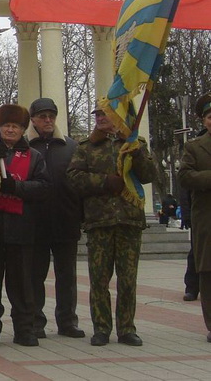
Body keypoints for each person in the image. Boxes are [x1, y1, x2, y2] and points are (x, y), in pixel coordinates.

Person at [68, 103, 155, 347]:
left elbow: (149, 174)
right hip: (99, 222)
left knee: (127, 280)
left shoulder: (135, 144)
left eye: (105, 113)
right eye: (97, 114)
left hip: (129, 220)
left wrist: (136, 151)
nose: (100, 118)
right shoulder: (86, 147)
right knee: (99, 280)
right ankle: (101, 328)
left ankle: (126, 328)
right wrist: (105, 182)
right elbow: (73, 178)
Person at [0, 104, 49, 347]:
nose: (10, 130)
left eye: (15, 127)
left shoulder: (34, 156)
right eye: (6, 126)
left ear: (23, 130)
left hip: (21, 230)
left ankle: (24, 329)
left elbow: (43, 187)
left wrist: (17, 187)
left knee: (22, 286)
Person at [27, 97, 85, 338]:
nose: (48, 120)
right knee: (35, 275)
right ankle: (35, 321)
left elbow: (80, 183)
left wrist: (81, 216)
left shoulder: (71, 147)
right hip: (34, 223)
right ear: (33, 120)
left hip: (66, 220)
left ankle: (67, 321)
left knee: (66, 276)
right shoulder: (24, 147)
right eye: (42, 116)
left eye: (51, 116)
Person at [177, 92, 211, 342]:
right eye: (210, 117)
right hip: (207, 219)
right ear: (204, 120)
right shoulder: (194, 147)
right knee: (208, 271)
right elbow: (184, 177)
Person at [181, 186, 200, 301]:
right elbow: (185, 193)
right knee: (196, 253)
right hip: (199, 219)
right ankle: (192, 288)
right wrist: (187, 216)